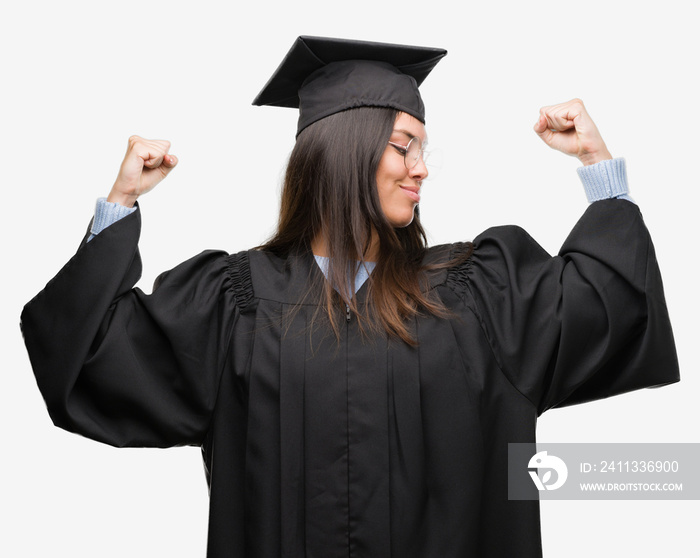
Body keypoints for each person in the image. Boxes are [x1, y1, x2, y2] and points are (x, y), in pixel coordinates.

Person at [20, 36, 679, 558]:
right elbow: (89, 354)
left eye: (424, 148)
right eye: (403, 146)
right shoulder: (235, 303)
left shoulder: (478, 294)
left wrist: (596, 162)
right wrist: (121, 201)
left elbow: (610, 304)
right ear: (344, 152)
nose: (422, 167)